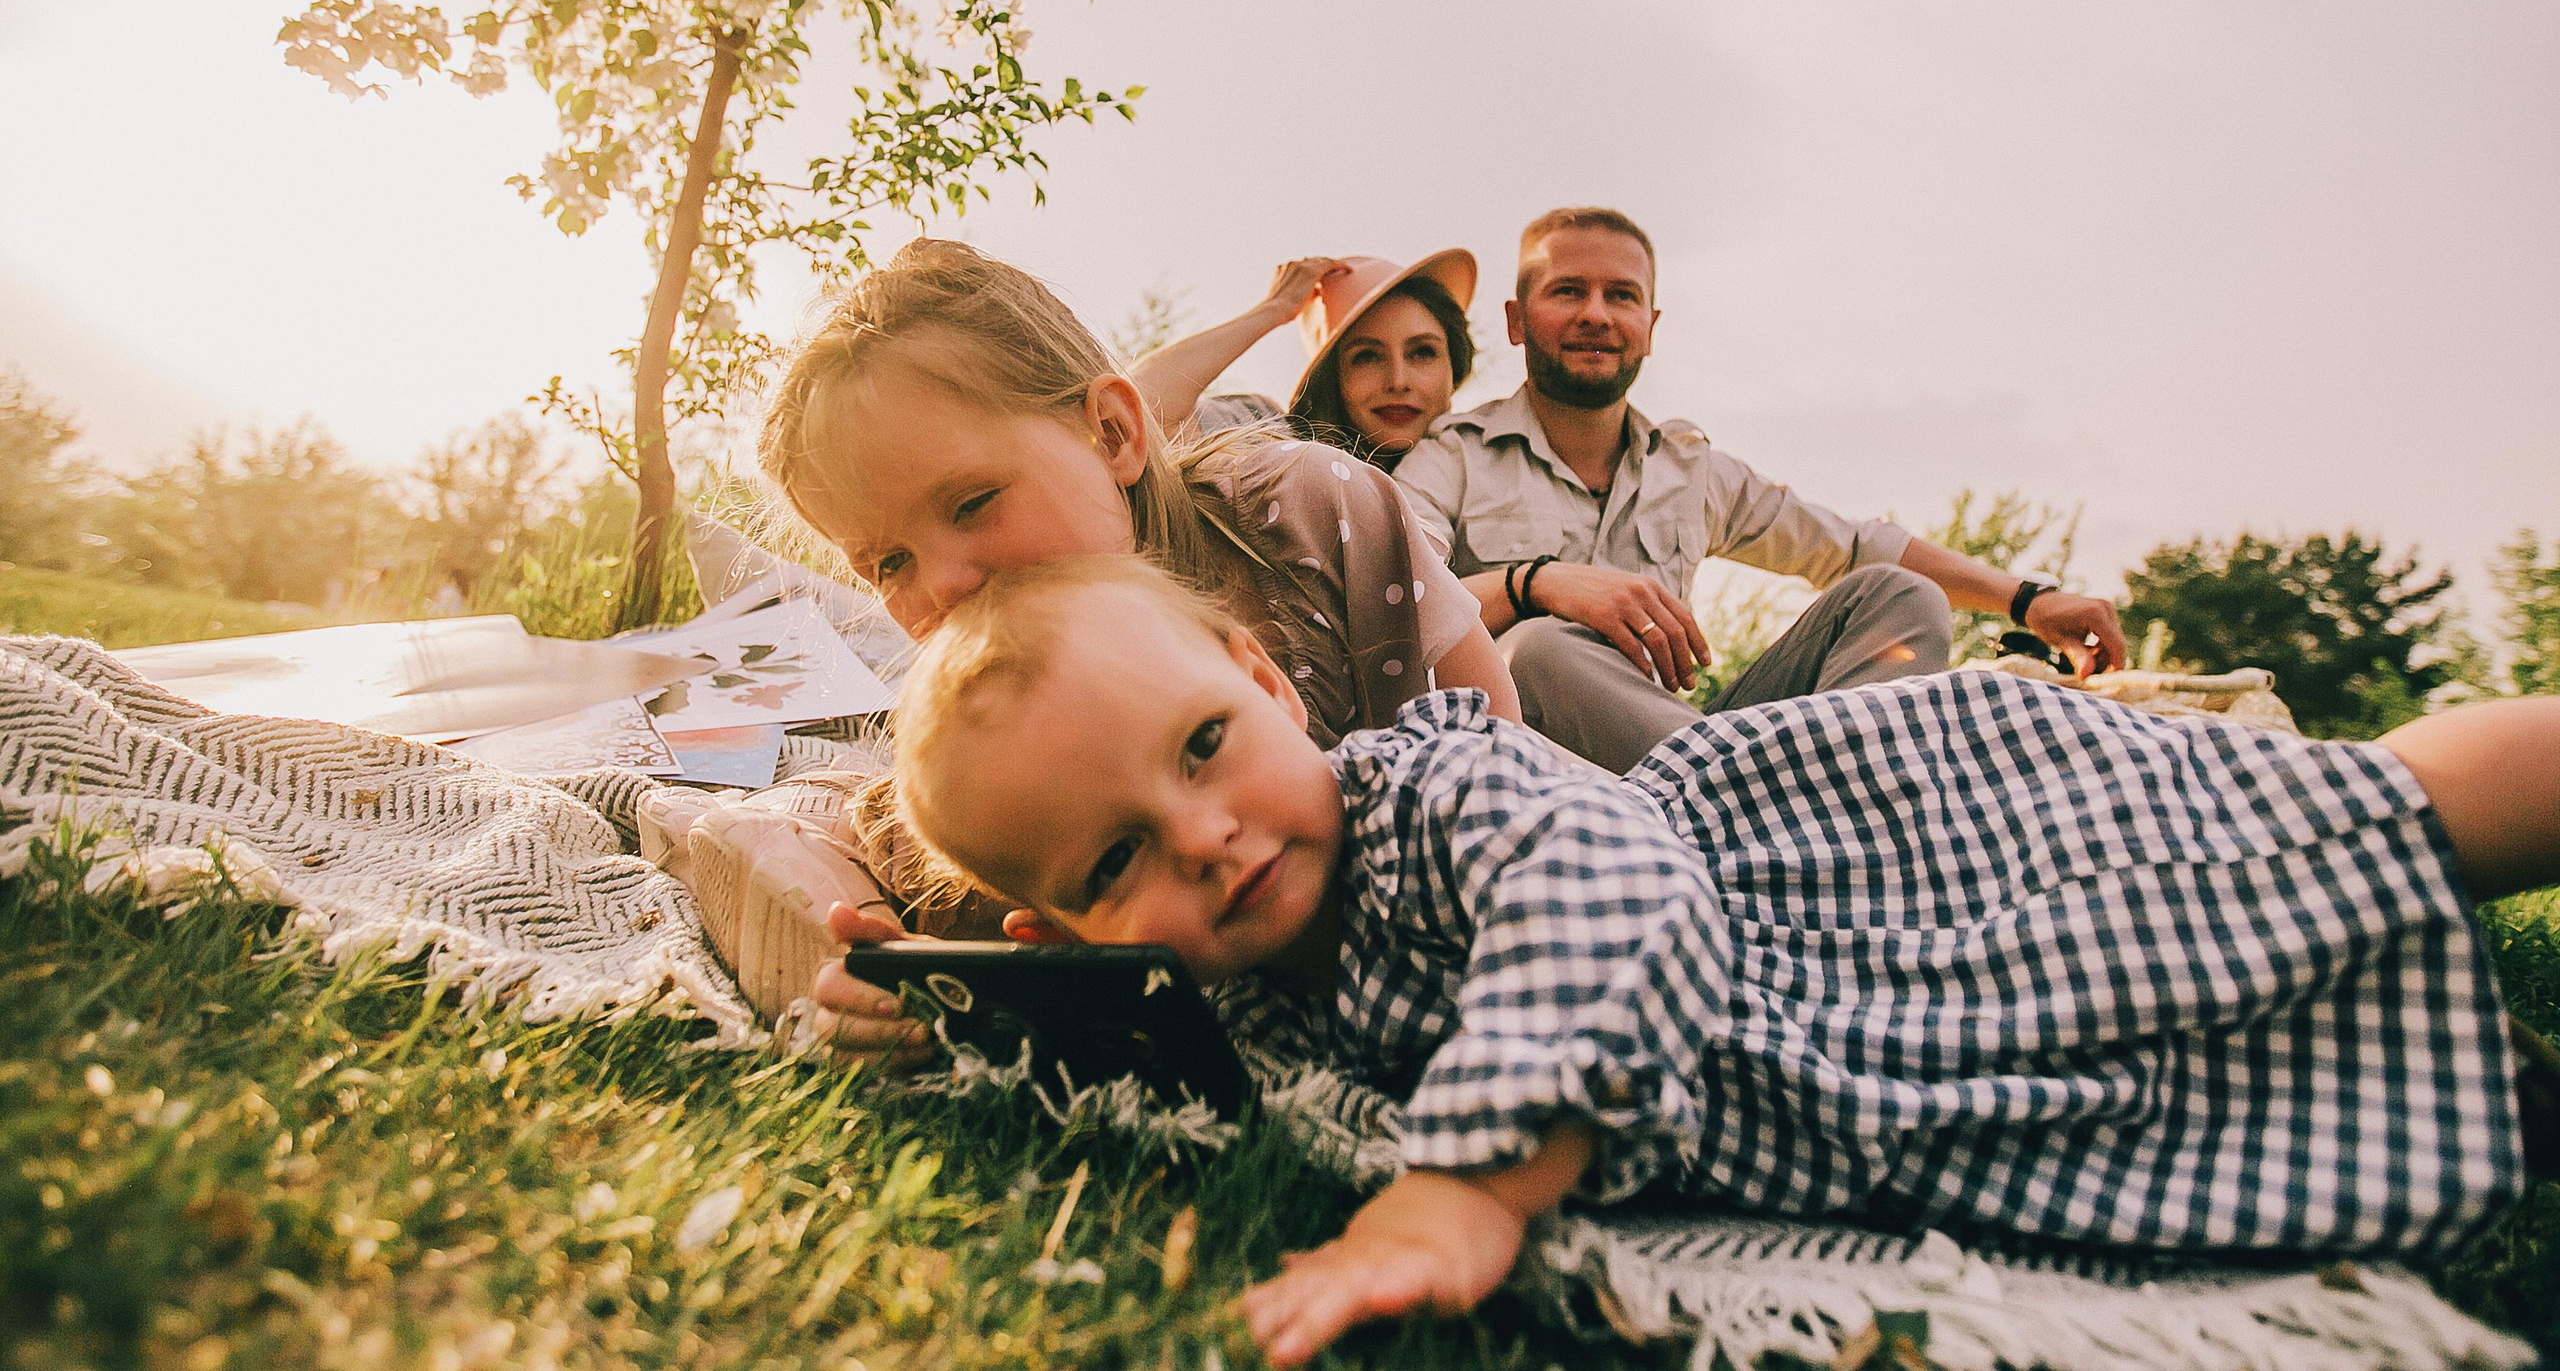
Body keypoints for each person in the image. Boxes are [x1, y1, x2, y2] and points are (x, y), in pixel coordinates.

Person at [890, 553, 2559, 1369]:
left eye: (1201, 743)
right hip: (1887, 1060)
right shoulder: (1227, 982)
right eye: (1115, 857)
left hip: (1917, 875)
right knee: (2203, 1070)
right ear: (1072, 924)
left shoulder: (1444, 785)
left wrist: (1468, 1181)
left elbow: (1610, 896)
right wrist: (931, 983)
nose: (1198, 837)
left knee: (2347, 817)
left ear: (1265, 678)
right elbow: (1086, 1029)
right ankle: (2479, 1074)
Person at [751, 237, 1521, 1054]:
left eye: (973, 502)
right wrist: (873, 947)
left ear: (1113, 432)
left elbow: (1504, 738)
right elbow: (813, 817)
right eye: (888, 563)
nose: (941, 588)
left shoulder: (1304, 513)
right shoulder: (995, 729)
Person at [1394, 205, 2131, 772]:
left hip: (1682, 749)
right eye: (1568, 291)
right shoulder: (1451, 454)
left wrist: (2030, 599)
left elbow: (1849, 545)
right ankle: (1793, 803)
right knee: (1538, 650)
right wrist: (1535, 583)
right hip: (1546, 762)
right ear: (1518, 322)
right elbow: (1396, 596)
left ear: (1649, 327)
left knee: (1897, 596)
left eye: (1621, 296)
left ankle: (1781, 799)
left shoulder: (1690, 470)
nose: (1596, 313)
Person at [1130, 250, 1478, 468]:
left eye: (1422, 352)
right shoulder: (1269, 437)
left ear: (1454, 366)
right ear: (1331, 376)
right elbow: (1136, 409)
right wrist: (1272, 310)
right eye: (1367, 357)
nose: (1398, 380)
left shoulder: (1484, 461)